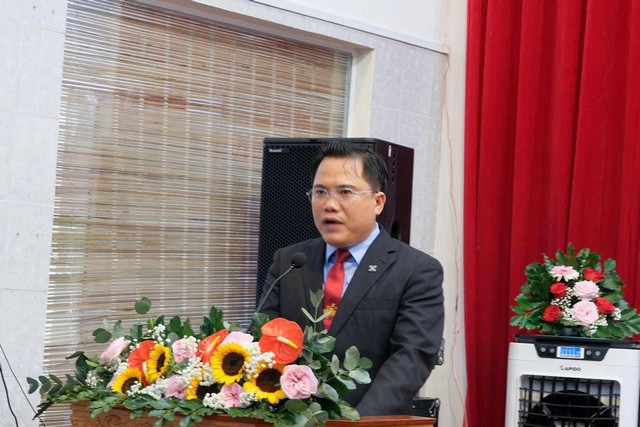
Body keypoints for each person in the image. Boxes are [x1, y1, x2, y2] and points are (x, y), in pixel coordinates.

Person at [260, 141, 444, 416]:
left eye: (345, 192)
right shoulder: (289, 261)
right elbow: (263, 339)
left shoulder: (416, 270)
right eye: (320, 192)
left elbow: (411, 358)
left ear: (378, 202)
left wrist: (356, 423)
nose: (329, 205)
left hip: (369, 420)